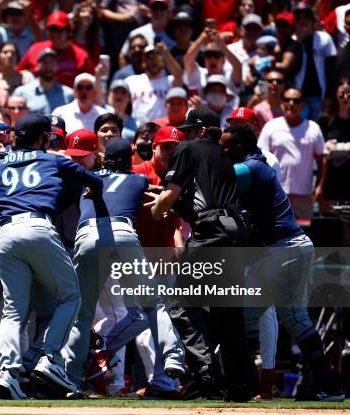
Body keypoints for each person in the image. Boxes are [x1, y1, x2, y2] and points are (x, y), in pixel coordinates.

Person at [219, 123, 344, 402]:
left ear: (239, 148)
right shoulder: (251, 164)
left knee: (293, 317)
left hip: (287, 248)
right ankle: (240, 385)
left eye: (225, 147)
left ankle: (329, 386)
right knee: (247, 313)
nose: (222, 151)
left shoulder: (253, 166)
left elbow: (221, 178)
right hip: (274, 251)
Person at [0, 113, 103, 400]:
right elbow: (93, 181)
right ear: (42, 138)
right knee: (71, 296)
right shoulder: (53, 158)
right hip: (38, 226)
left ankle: (8, 373)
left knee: (14, 310)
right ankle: (49, 359)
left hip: (6, 232)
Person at [62, 137, 185, 392]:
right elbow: (158, 197)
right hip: (122, 233)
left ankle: (72, 377)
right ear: (128, 159)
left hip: (86, 235)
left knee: (82, 314)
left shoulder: (87, 176)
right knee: (153, 305)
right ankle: (173, 358)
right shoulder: (138, 179)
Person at [150, 107, 254, 401]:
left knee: (182, 304)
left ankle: (206, 374)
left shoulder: (188, 148)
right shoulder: (225, 157)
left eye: (188, 130)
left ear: (201, 131)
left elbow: (169, 197)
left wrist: (159, 208)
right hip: (235, 233)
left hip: (210, 234)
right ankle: (241, 384)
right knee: (228, 312)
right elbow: (203, 196)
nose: (184, 135)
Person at [257, 88, 326, 220]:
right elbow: (261, 159)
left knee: (305, 235)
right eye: (287, 99)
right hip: (276, 193)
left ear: (303, 104)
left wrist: (320, 187)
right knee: (276, 235)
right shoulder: (270, 126)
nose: (291, 103)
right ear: (282, 103)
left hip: (304, 195)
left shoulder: (313, 128)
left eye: (296, 100)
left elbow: (322, 159)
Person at [16, 11, 94, 88]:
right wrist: (26, 75)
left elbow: (91, 82)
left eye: (59, 30)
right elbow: (17, 73)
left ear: (68, 31)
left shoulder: (81, 55)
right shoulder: (35, 49)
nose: (55, 34)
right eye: (51, 30)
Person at [293, 4, 337, 120]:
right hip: (297, 95)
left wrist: (329, 96)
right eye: (299, 19)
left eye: (306, 19)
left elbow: (331, 70)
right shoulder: (293, 41)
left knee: (315, 128)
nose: (303, 22)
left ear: (313, 22)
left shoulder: (324, 39)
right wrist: (299, 42)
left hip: (318, 95)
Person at [126, 43, 182, 123]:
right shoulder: (131, 81)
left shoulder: (170, 81)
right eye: (150, 57)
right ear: (143, 61)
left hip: (162, 129)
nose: (154, 60)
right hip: (138, 130)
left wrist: (165, 52)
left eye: (158, 56)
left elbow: (178, 74)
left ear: (163, 61)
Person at [317, 79, 350, 207]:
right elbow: (320, 147)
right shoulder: (325, 119)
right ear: (336, 95)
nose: (345, 98)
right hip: (330, 175)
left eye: (349, 94)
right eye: (341, 94)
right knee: (329, 218)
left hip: (348, 175)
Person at [13, 48, 73, 115]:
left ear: (57, 67)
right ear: (37, 66)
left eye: (52, 62)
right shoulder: (21, 93)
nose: (48, 66)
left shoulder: (69, 95)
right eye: (45, 62)